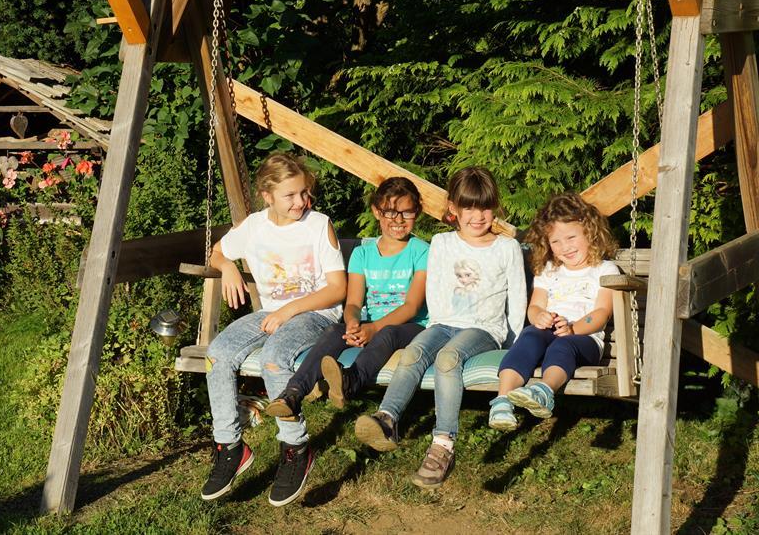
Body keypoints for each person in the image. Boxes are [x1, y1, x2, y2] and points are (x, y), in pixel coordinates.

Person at [353, 166, 526, 489]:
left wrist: (513, 346)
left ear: (495, 207)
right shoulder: (443, 243)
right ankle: (387, 419)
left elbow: (517, 297)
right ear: (453, 209)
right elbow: (433, 292)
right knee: (414, 352)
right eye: (469, 208)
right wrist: (432, 330)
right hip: (443, 323)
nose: (477, 216)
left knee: (448, 359)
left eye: (485, 207)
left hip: (484, 329)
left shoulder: (506, 248)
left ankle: (443, 444)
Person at [201, 152, 347, 507]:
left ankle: (296, 447)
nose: (301, 202)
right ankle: (229, 446)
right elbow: (217, 252)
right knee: (218, 354)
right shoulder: (254, 226)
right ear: (267, 196)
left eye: (304, 193)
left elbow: (337, 289)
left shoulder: (318, 225)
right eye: (290, 195)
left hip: (316, 313)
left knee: (274, 356)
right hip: (271, 313)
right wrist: (227, 267)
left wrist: (289, 310)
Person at [264, 177, 429, 418]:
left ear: (417, 212)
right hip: (371, 324)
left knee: (388, 333)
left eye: (407, 212)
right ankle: (293, 393)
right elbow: (353, 303)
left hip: (411, 326)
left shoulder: (422, 251)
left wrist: (374, 328)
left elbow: (412, 306)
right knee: (335, 330)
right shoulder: (362, 254)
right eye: (390, 212)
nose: (398, 220)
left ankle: (350, 381)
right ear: (376, 211)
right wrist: (352, 323)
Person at [488, 192, 618, 430]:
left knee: (563, 345)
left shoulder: (604, 269)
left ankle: (544, 391)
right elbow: (535, 306)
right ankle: (502, 400)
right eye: (556, 242)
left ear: (589, 232)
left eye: (571, 237)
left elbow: (601, 313)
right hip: (548, 331)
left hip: (584, 339)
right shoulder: (548, 270)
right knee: (528, 336)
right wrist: (538, 316)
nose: (565, 247)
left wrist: (574, 329)